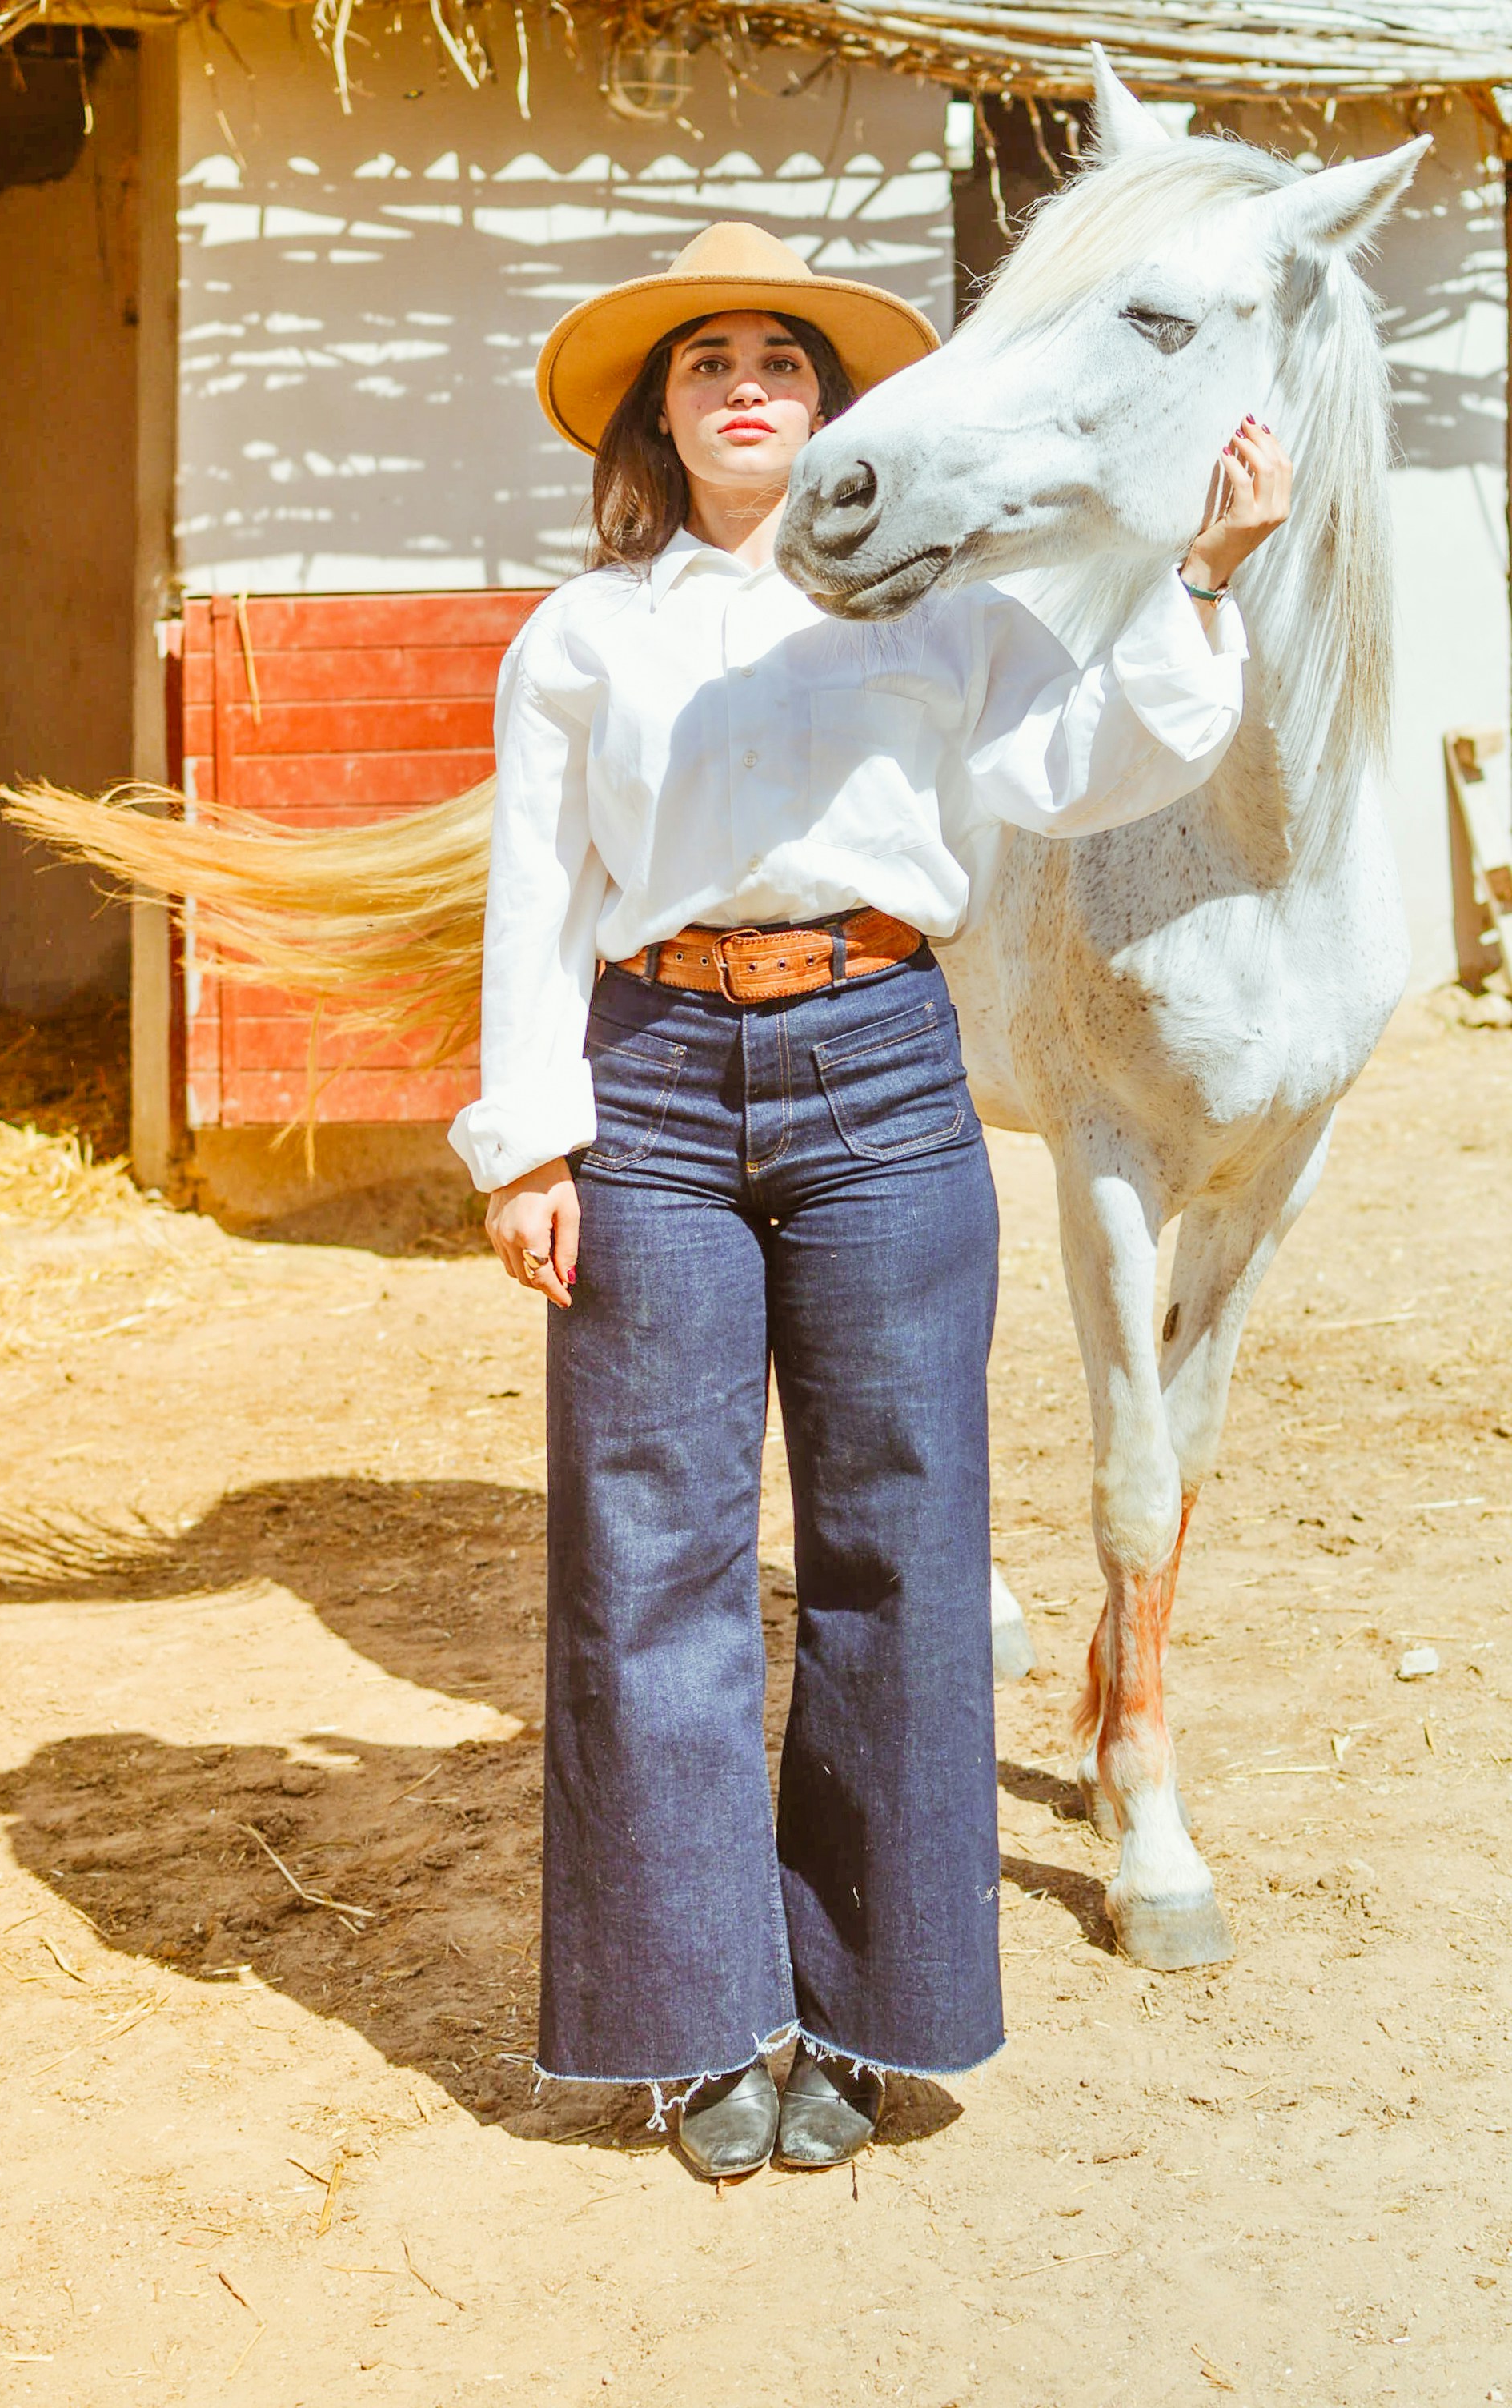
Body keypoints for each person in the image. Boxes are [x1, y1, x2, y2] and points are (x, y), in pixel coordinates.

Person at [448, 221, 1290, 2178]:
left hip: (885, 1072)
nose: (747, 385)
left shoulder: (941, 610)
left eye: (783, 360)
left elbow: (1094, 762)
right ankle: (689, 2025)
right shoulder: (581, 638)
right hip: (652, 1087)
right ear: (658, 424)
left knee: (900, 1547)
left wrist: (1200, 579)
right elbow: (536, 892)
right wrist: (532, 1140)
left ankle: (864, 2010)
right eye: (706, 364)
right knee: (647, 1554)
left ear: (829, 412)